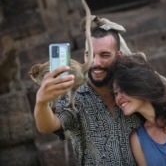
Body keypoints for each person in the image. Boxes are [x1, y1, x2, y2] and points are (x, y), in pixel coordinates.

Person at [34, 27, 143, 165]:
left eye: (105, 55)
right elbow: (48, 126)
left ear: (119, 56)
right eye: (90, 55)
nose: (96, 63)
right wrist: (41, 102)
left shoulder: (134, 87)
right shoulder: (75, 97)